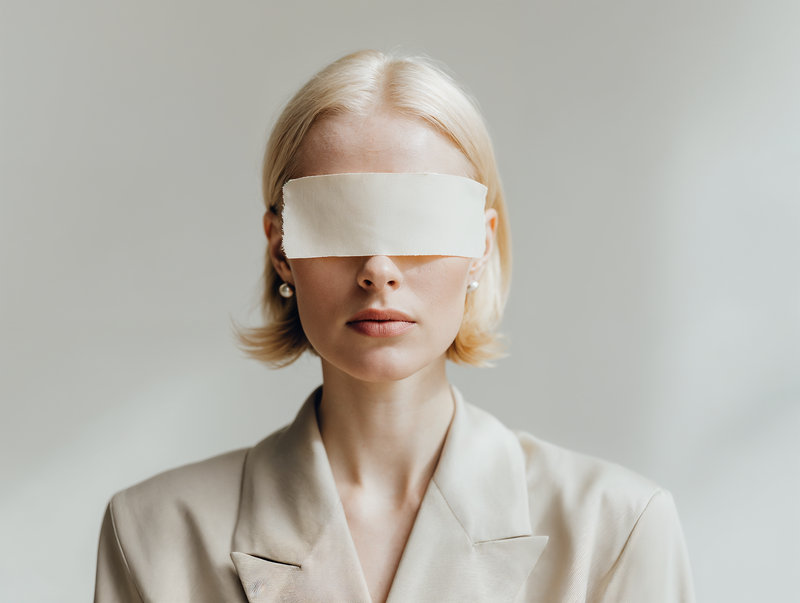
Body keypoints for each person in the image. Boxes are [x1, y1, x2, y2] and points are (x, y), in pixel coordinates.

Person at [94, 49, 695, 603]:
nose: (378, 271)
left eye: (419, 223)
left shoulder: (617, 529)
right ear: (281, 249)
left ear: (479, 248)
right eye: (340, 222)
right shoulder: (153, 534)